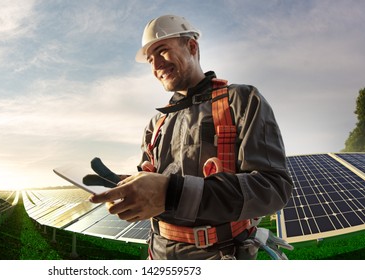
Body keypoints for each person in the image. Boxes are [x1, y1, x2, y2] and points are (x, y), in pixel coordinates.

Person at [89, 15, 293, 260]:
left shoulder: (241, 100)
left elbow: (272, 188)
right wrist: (129, 189)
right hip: (158, 254)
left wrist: (173, 193)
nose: (156, 66)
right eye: (150, 60)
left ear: (192, 47)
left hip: (220, 255)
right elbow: (152, 191)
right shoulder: (156, 125)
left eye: (162, 51)